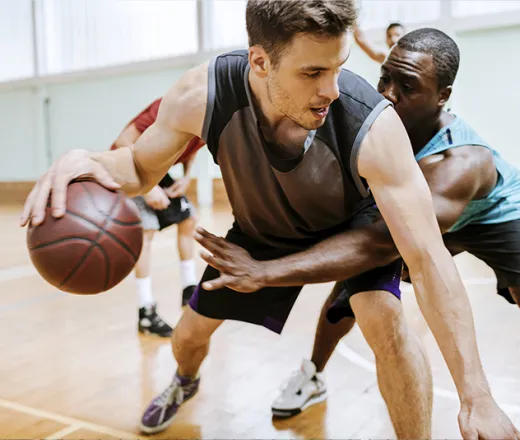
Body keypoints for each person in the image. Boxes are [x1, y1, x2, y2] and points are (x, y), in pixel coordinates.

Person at [19, 1, 517, 437]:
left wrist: (476, 394)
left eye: (338, 67)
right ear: (260, 61)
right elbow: (138, 168)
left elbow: (428, 258)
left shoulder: (372, 124)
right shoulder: (204, 94)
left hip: (348, 227)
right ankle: (184, 381)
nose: (333, 90)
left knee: (385, 323)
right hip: (260, 233)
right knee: (187, 337)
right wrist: (87, 161)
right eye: (312, 73)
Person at [194, 27, 520, 438]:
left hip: (494, 215)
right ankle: (312, 373)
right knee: (355, 294)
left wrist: (265, 271)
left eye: (408, 87)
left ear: (443, 96)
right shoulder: (371, 127)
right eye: (385, 78)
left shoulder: (459, 162)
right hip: (411, 217)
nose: (387, 94)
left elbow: (379, 243)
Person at [111, 98, 204, 337]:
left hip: (154, 170)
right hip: (127, 166)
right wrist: (148, 189)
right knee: (146, 231)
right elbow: (123, 141)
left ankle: (189, 288)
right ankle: (145, 312)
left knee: (188, 219)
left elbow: (191, 148)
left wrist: (186, 177)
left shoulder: (210, 120)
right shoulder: (168, 107)